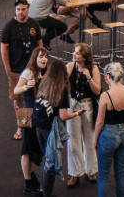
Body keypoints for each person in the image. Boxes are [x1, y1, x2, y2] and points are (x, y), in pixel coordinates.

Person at [34, 59, 80, 197]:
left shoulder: (44, 83)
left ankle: (42, 189)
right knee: (51, 163)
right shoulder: (62, 89)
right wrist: (77, 113)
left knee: (47, 160)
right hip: (51, 130)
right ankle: (46, 193)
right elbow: (64, 116)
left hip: (39, 126)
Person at [1, 0, 43, 143]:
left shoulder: (34, 24)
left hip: (32, 69)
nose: (21, 12)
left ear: (28, 9)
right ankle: (20, 126)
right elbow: (4, 48)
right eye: (18, 9)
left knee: (35, 95)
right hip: (15, 69)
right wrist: (7, 68)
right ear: (15, 10)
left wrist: (40, 62)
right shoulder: (9, 27)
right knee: (18, 99)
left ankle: (33, 123)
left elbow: (39, 44)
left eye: (23, 9)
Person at [15, 46, 52, 195]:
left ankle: (31, 178)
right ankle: (28, 182)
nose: (44, 59)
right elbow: (15, 91)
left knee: (32, 149)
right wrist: (25, 86)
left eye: (46, 57)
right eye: (41, 57)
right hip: (30, 115)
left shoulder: (46, 72)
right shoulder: (29, 72)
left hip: (41, 116)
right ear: (35, 58)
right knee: (26, 149)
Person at [66, 42, 103, 187]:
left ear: (84, 57)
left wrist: (89, 77)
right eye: (74, 52)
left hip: (88, 106)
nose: (74, 55)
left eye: (77, 53)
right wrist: (68, 96)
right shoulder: (70, 66)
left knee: (90, 140)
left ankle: (91, 170)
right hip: (73, 105)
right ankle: (75, 173)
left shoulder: (93, 69)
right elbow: (62, 84)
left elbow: (97, 90)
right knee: (73, 141)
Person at [94, 62, 124, 197]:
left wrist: (95, 139)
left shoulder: (106, 95)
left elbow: (99, 122)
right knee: (121, 173)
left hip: (109, 135)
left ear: (108, 76)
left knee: (103, 175)